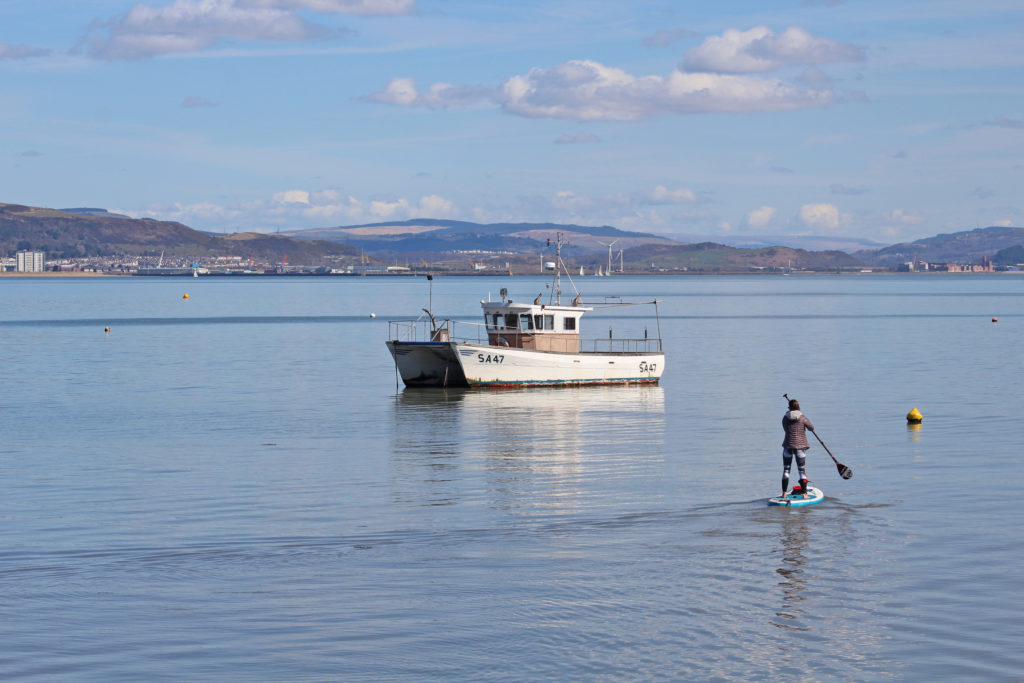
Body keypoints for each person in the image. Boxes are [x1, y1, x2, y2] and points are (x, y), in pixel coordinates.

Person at [781, 398, 814, 496]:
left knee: (786, 470)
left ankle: (783, 493)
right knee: (801, 471)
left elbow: (785, 429)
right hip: (800, 447)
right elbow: (811, 428)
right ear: (798, 407)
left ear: (789, 407)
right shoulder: (802, 417)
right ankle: (804, 494)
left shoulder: (785, 417)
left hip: (788, 446)